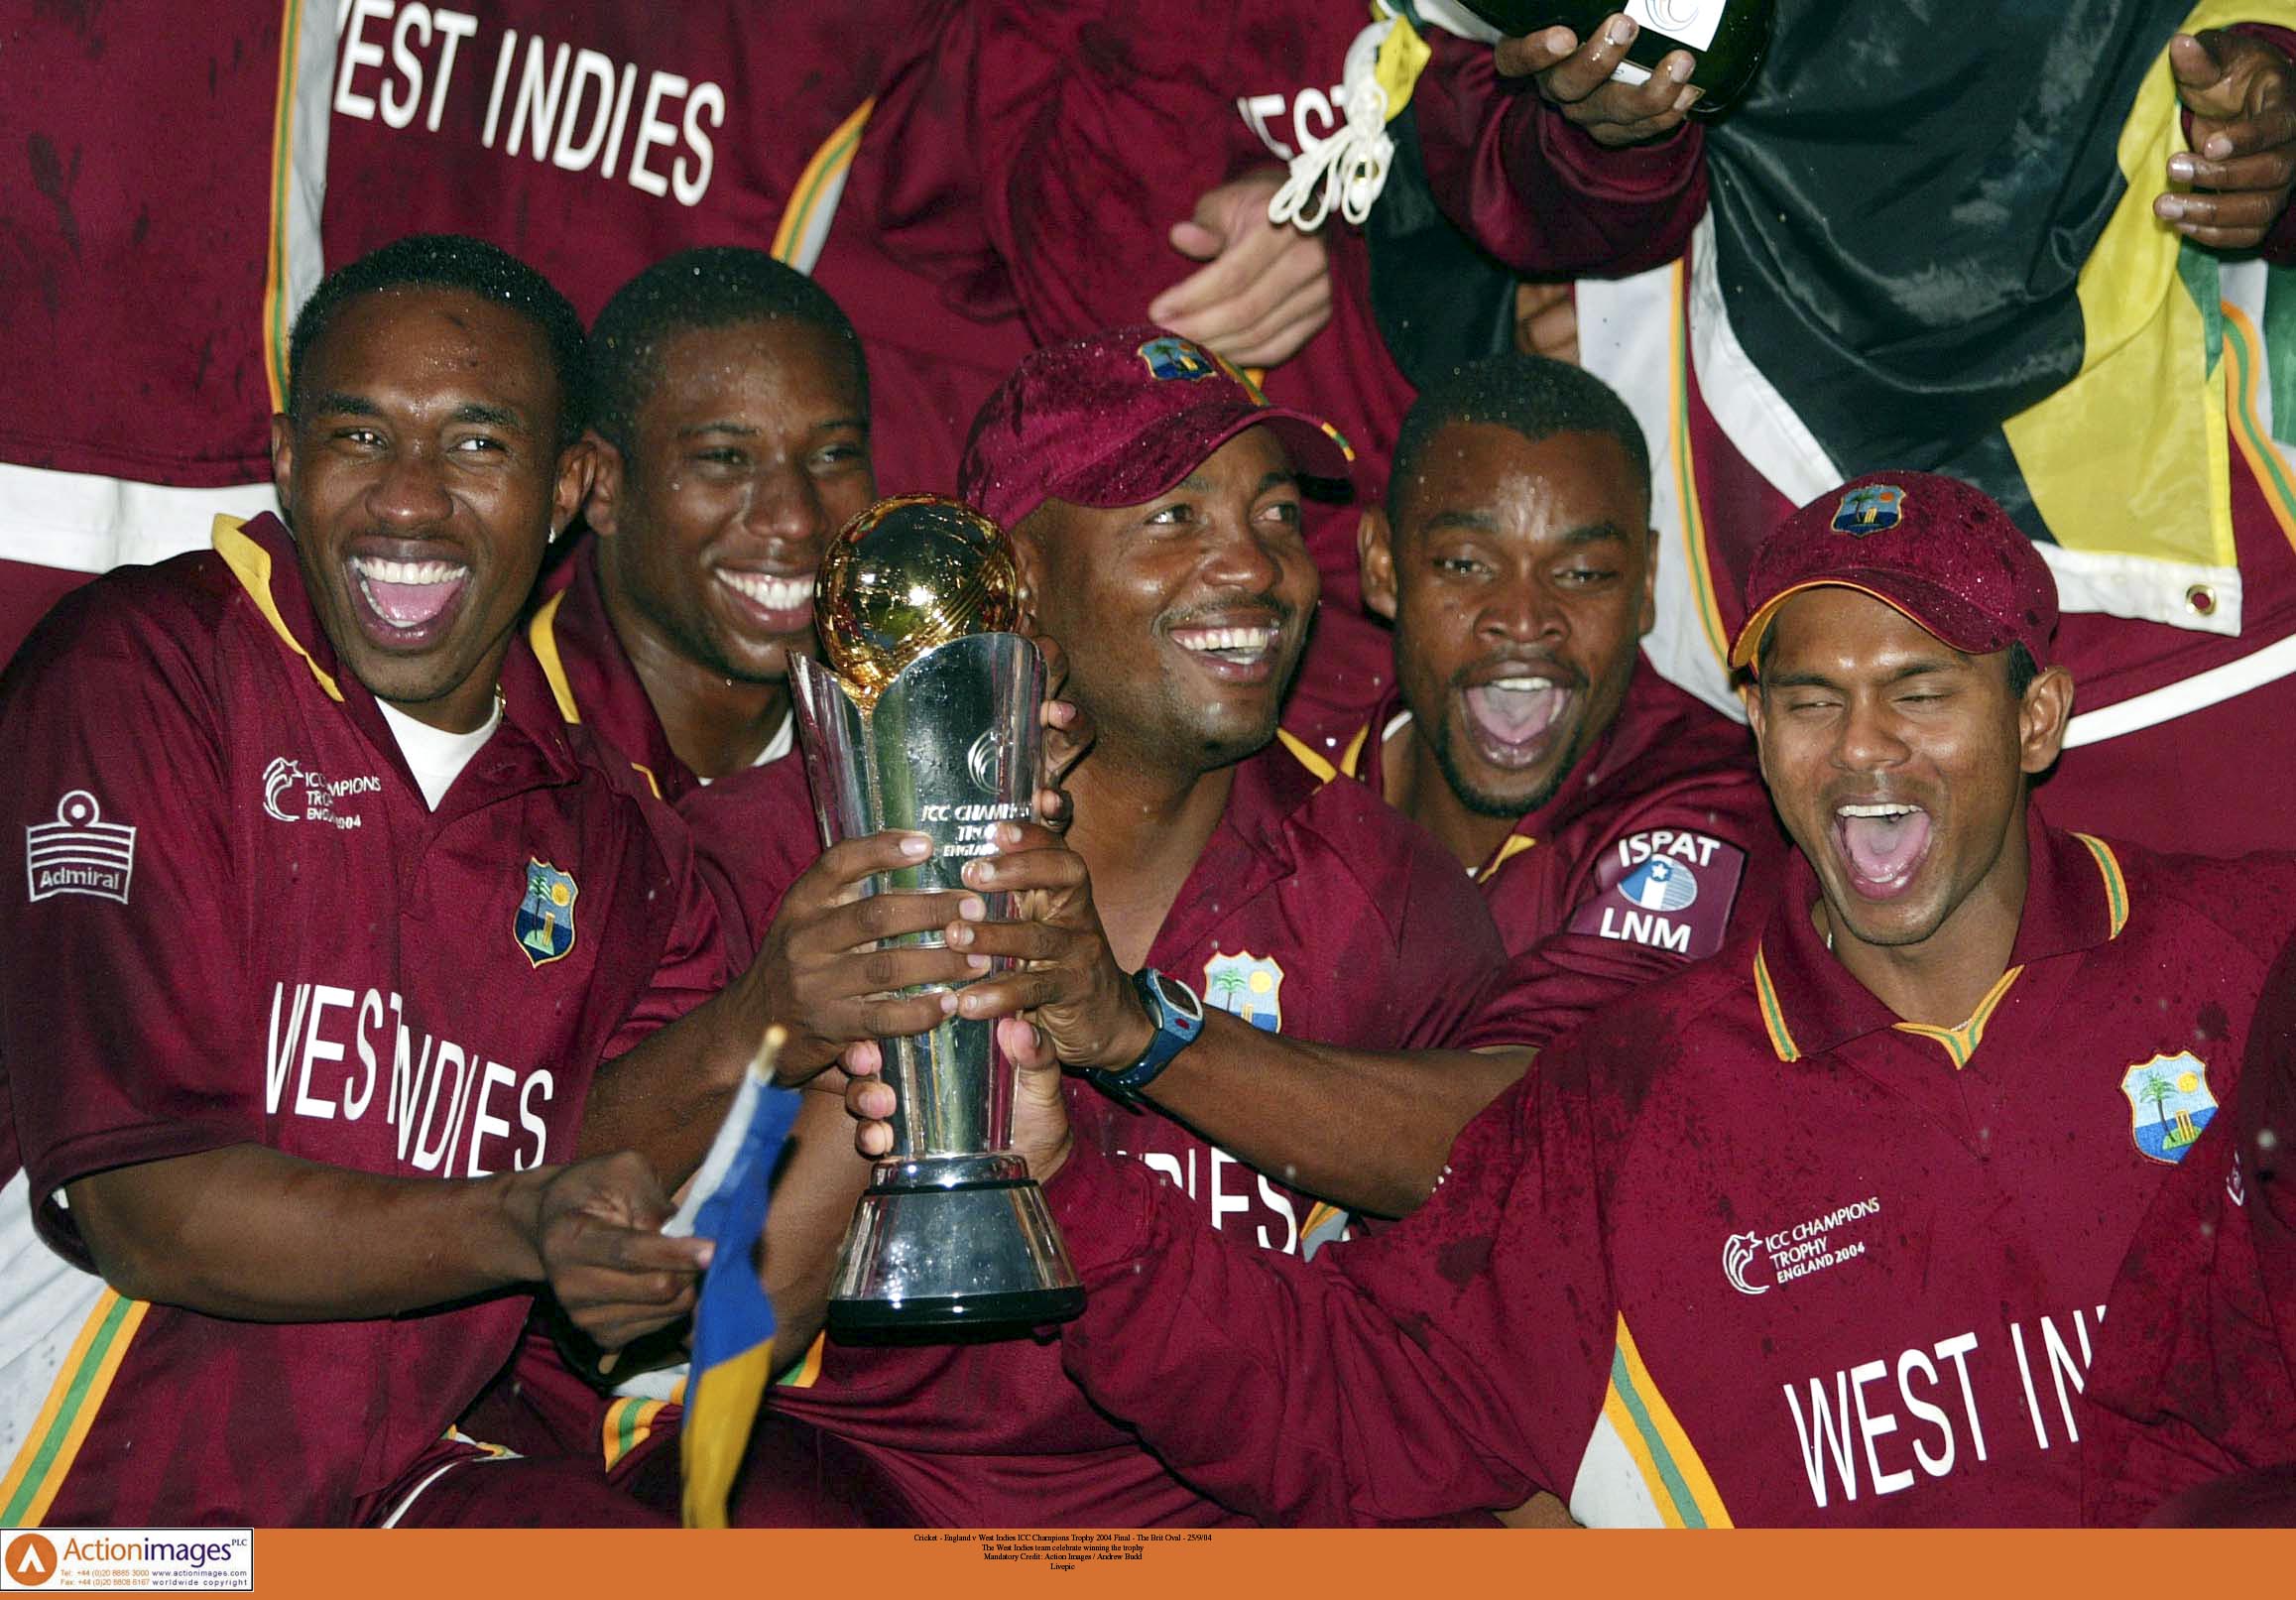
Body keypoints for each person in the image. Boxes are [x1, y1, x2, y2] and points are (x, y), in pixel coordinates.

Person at [893, 469, 2296, 1526]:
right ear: (1753, 728)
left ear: (2033, 720)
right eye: (1807, 700)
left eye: (1918, 691)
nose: (1862, 752)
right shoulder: (1634, 1102)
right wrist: (1061, 1179)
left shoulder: (2249, 957)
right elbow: (1348, 1404)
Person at [0, 235, 763, 1527]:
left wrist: (800, 1007)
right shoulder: (150, 669)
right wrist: (524, 1226)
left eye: (476, 445)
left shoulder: (614, 842)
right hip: (70, 1497)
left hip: (378, 1493)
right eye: (361, 439)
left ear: (571, 483)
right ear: (289, 460)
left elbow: (636, 1190)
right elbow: (147, 1210)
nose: (408, 502)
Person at [716, 325, 1514, 1527]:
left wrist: (1136, 1029)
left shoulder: (1380, 889)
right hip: (861, 1511)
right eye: (1174, 517)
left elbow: (1519, 1166)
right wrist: (924, 947)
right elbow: (719, 1326)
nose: (1254, 567)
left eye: (1278, 518)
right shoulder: (782, 845)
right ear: (1015, 579)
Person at [1349, 353, 1783, 1043]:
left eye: (1582, 573)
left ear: (1643, 587)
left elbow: (1519, 1108)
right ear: (1381, 565)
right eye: (1466, 564)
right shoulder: (1296, 759)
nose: (1524, 619)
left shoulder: (1708, 795)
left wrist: (1149, 1040)